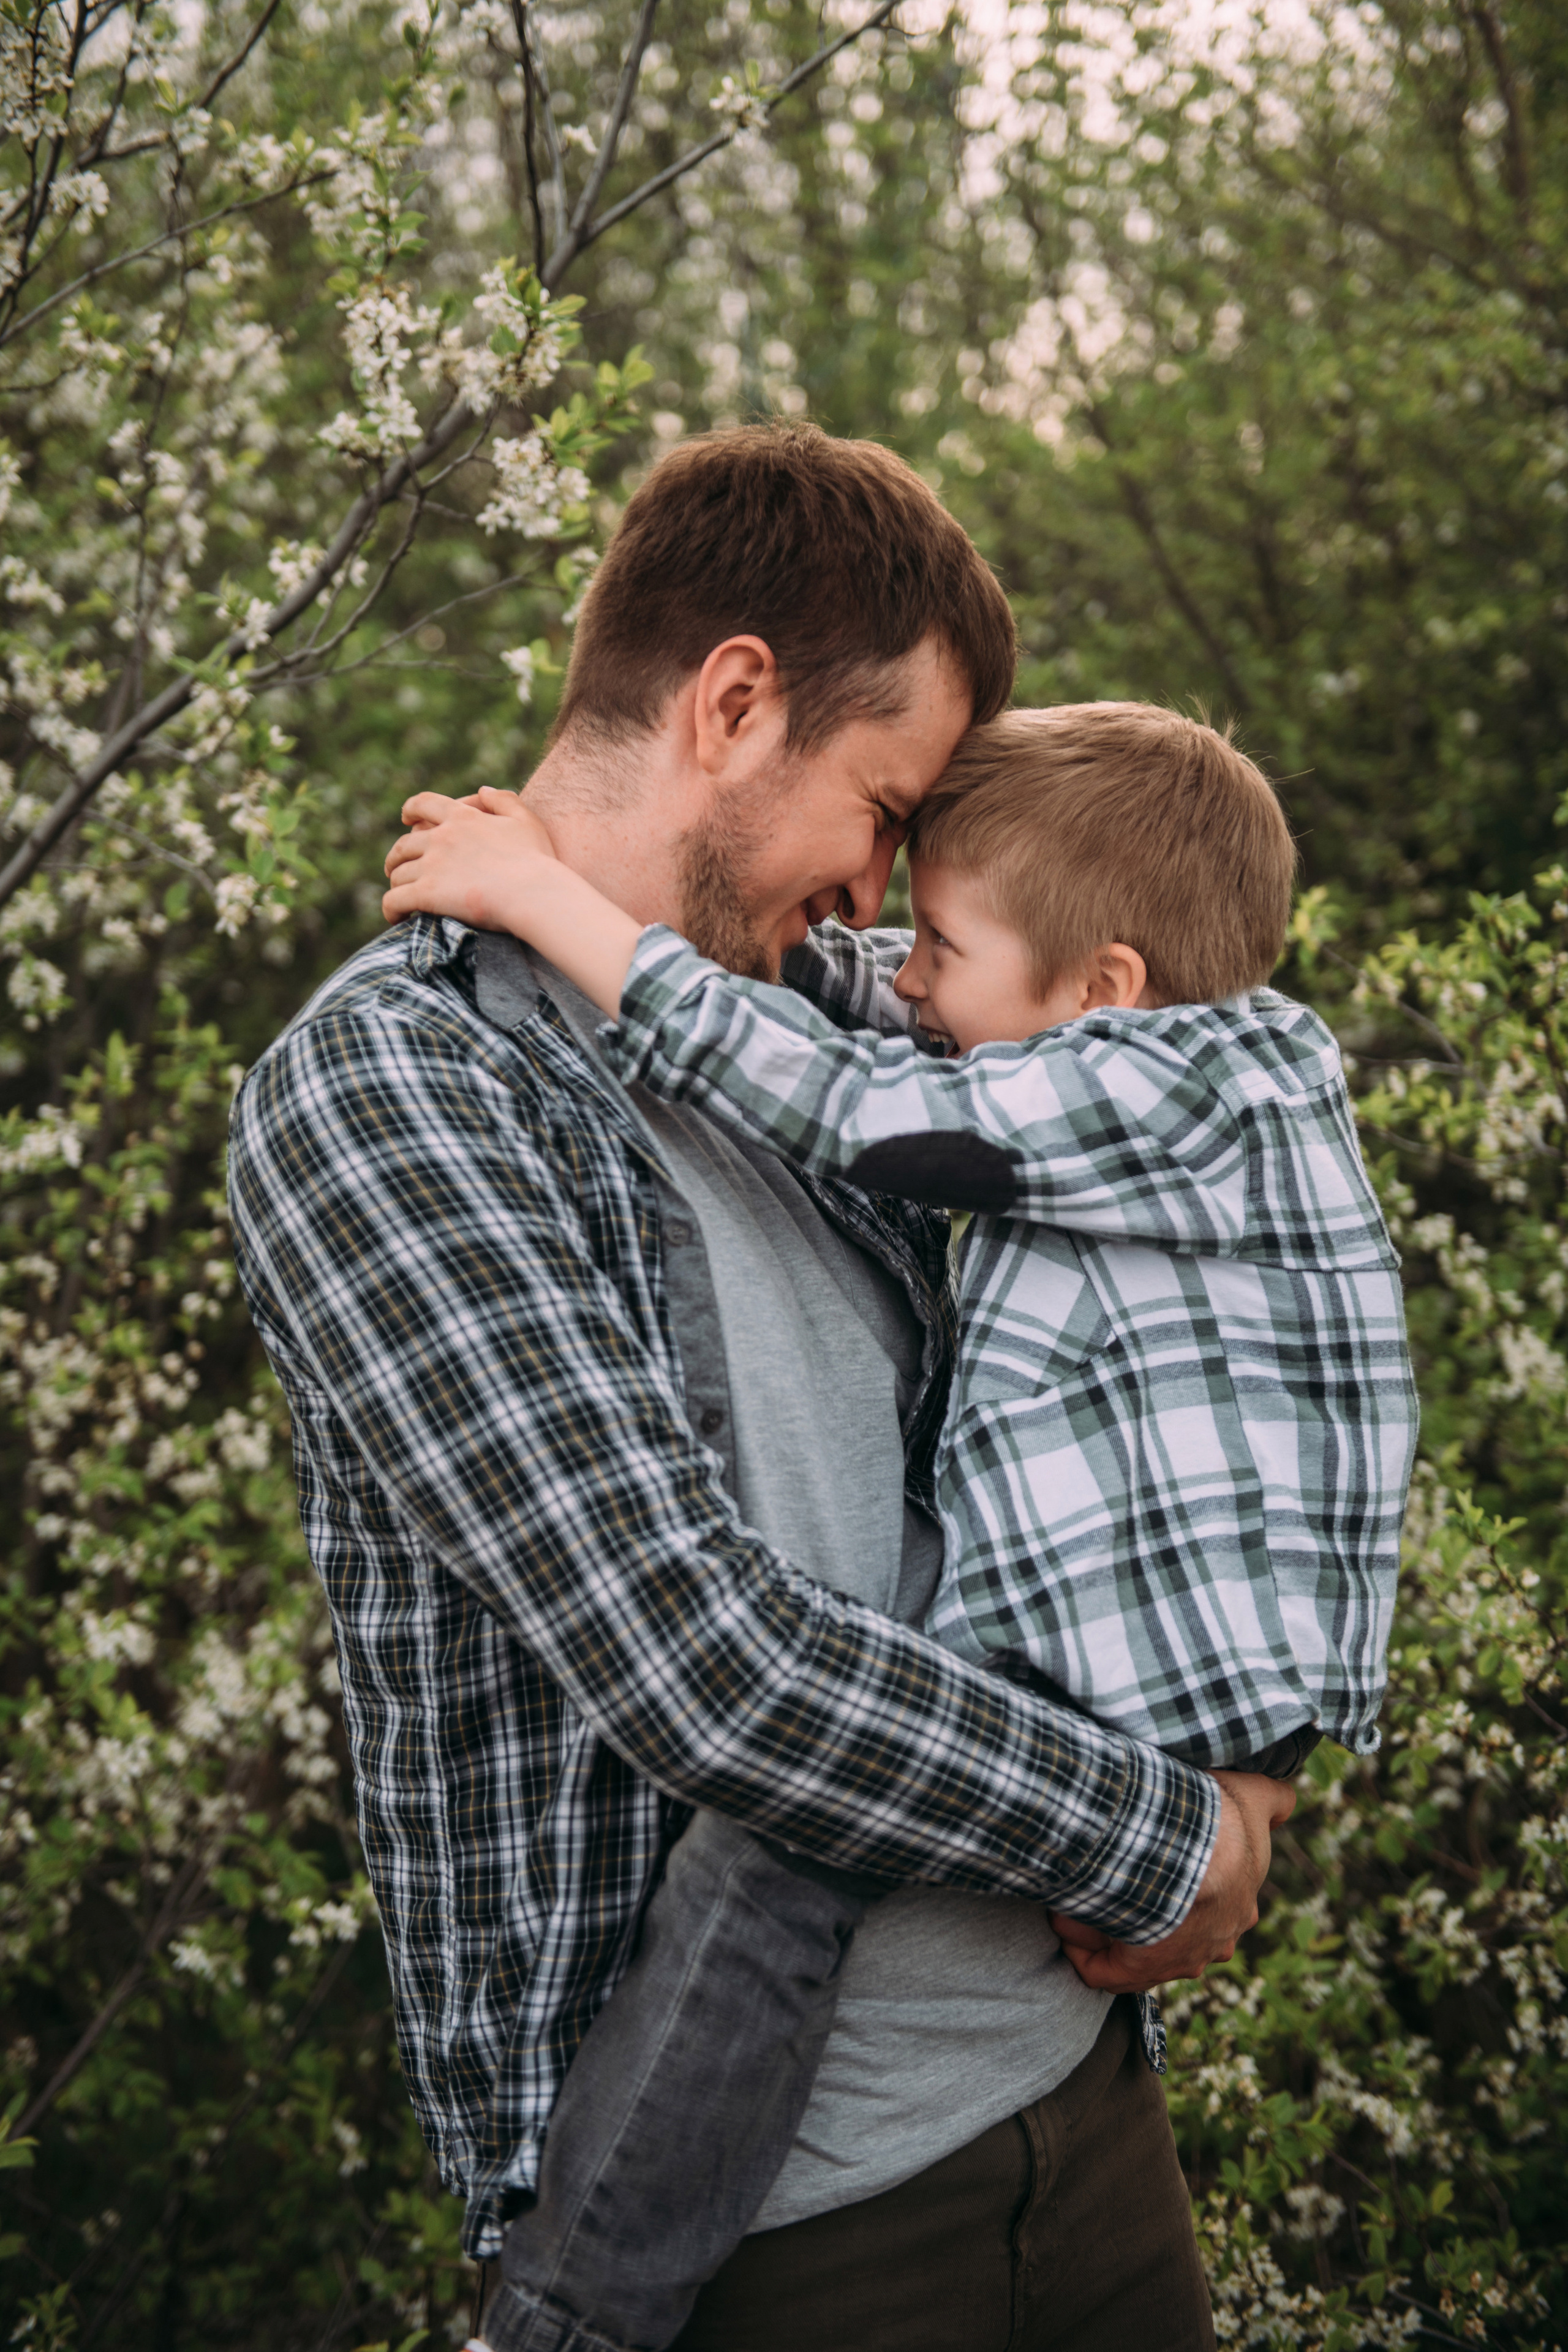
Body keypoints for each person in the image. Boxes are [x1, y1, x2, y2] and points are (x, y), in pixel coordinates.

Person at [230, 423, 1291, 2352]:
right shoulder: (393, 1094)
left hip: (1083, 2111)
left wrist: (1247, 1752)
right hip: (778, 2235)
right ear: (733, 703)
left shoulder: (810, 1014)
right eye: (884, 809)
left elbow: (1173, 1248)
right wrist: (1169, 1836)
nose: (890, 889)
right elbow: (706, 1664)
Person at [382, 698, 1416, 2352]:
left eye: (937, 939)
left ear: (1104, 993)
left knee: (786, 1840)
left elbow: (848, 1102)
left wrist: (537, 898)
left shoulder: (1166, 1092)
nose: (895, 965)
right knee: (813, 1810)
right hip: (1158, 1646)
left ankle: (566, 2318)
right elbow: (857, 1009)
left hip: (1147, 1653)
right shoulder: (1149, 1054)